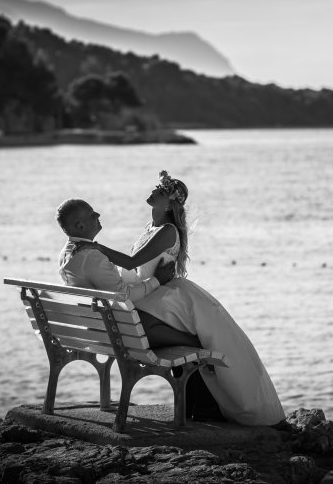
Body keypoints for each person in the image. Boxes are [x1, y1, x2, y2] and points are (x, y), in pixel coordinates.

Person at [82, 170, 286, 427]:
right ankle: (201, 403)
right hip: (154, 295)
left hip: (165, 299)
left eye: (160, 190)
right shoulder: (152, 228)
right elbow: (137, 269)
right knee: (188, 343)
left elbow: (132, 262)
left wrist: (96, 247)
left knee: (199, 343)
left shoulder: (167, 231)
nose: (154, 190)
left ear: (169, 204)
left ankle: (211, 402)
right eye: (157, 187)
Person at [55, 197, 221, 416]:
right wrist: (157, 280)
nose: (98, 215)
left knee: (177, 334)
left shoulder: (66, 253)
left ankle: (195, 406)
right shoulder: (91, 256)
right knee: (194, 341)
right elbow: (124, 296)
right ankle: (204, 408)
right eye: (92, 214)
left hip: (100, 332)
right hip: (123, 334)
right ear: (80, 225)